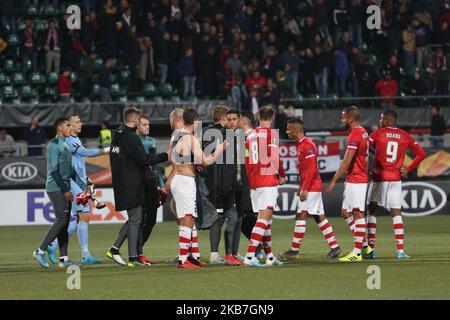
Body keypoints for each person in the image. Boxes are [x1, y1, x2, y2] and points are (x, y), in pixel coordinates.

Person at [106, 107, 168, 267]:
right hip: (131, 184)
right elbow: (144, 159)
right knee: (136, 219)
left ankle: (116, 249)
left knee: (135, 218)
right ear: (135, 121)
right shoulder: (130, 138)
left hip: (122, 182)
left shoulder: (117, 135)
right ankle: (133, 257)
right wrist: (167, 156)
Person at [169, 108, 227, 269]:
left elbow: (170, 157)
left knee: (187, 218)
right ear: (195, 122)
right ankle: (183, 259)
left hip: (177, 178)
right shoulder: (190, 139)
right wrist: (220, 149)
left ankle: (191, 257)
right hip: (186, 180)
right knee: (188, 218)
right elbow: (207, 161)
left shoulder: (177, 137)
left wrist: (191, 162)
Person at [364, 110, 426, 259]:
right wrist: (408, 169)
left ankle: (371, 250)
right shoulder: (405, 136)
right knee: (396, 213)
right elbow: (422, 154)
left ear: (388, 121)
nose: (380, 122)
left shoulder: (378, 133)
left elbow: (364, 146)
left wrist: (366, 167)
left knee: (372, 211)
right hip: (396, 178)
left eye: (381, 119)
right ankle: (400, 250)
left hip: (379, 177)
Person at [278, 119, 342, 260]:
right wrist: (302, 186)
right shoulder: (303, 145)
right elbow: (306, 170)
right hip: (311, 186)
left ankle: (294, 251)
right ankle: (335, 247)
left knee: (301, 215)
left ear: (297, 130)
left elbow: (312, 169)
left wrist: (305, 189)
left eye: (289, 129)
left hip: (312, 187)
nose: (287, 132)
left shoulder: (306, 145)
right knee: (319, 216)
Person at [49, 114, 109, 265]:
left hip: (80, 183)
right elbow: (86, 153)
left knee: (76, 222)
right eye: (77, 122)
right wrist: (109, 149)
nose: (80, 124)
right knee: (84, 217)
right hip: (74, 184)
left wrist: (87, 180)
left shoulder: (75, 140)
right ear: (69, 125)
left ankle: (52, 246)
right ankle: (85, 255)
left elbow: (79, 165)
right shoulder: (69, 141)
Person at [33, 117, 85, 268]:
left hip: (64, 186)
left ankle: (63, 258)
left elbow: (71, 171)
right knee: (61, 220)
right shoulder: (53, 145)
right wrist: (66, 190)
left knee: (65, 222)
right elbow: (54, 171)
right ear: (60, 129)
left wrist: (84, 185)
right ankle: (40, 251)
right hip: (56, 187)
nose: (71, 127)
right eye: (68, 125)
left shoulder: (65, 144)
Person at [326, 106, 369, 262]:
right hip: (354, 178)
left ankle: (357, 252)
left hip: (357, 179)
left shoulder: (355, 135)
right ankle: (365, 247)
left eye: (343, 117)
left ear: (351, 119)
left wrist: (332, 181)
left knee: (357, 213)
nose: (341, 120)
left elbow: (346, 161)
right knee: (345, 213)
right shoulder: (363, 131)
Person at [243, 106, 284, 267]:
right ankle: (250, 256)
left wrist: (251, 180)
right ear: (272, 117)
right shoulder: (271, 134)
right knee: (263, 220)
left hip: (255, 182)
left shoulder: (250, 136)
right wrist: (282, 174)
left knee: (266, 221)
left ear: (258, 116)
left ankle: (270, 257)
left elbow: (247, 161)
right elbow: (274, 156)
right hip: (267, 181)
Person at [206, 108, 241, 266]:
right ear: (223, 119)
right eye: (228, 118)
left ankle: (227, 253)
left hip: (218, 184)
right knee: (225, 218)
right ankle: (225, 254)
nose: (230, 122)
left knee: (224, 218)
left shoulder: (207, 132)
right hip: (220, 185)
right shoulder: (224, 135)